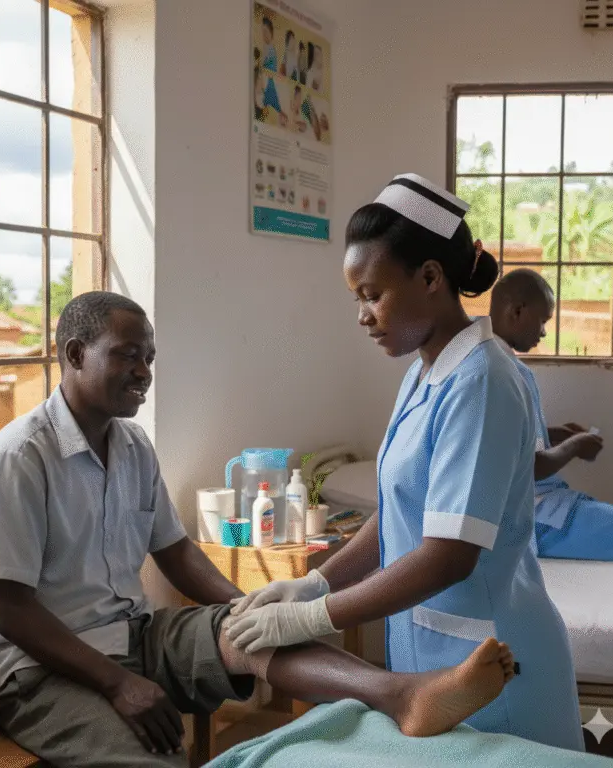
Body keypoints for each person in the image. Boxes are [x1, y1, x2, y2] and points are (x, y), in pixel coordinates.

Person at [0, 291, 517, 768]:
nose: (144, 372)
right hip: (41, 669)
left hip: (133, 635)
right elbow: (9, 609)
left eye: (150, 358)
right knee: (154, 759)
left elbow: (177, 553)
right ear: (75, 354)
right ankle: (396, 694)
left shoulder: (132, 447)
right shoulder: (18, 458)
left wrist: (249, 611)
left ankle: (400, 694)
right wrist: (118, 682)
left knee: (256, 634)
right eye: (128, 355)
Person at [228, 174, 585, 753]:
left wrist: (314, 618)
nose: (363, 316)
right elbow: (398, 514)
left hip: (496, 661)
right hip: (434, 654)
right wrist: (315, 582)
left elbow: (449, 555)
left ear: (429, 277)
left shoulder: (483, 380)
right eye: (357, 300)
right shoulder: (424, 372)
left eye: (372, 295)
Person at [490, 268, 613, 561]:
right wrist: (574, 446)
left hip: (543, 503)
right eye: (543, 320)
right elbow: (527, 467)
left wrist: (553, 433)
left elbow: (516, 440)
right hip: (531, 517)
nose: (544, 332)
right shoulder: (496, 372)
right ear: (518, 311)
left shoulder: (503, 364)